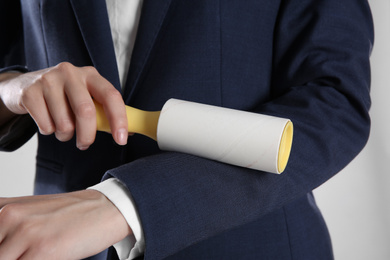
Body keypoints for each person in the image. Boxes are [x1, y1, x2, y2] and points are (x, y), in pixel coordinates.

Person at [0, 0, 374, 259]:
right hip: (48, 246)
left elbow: (336, 104)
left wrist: (125, 204)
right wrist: (11, 88)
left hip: (247, 245)